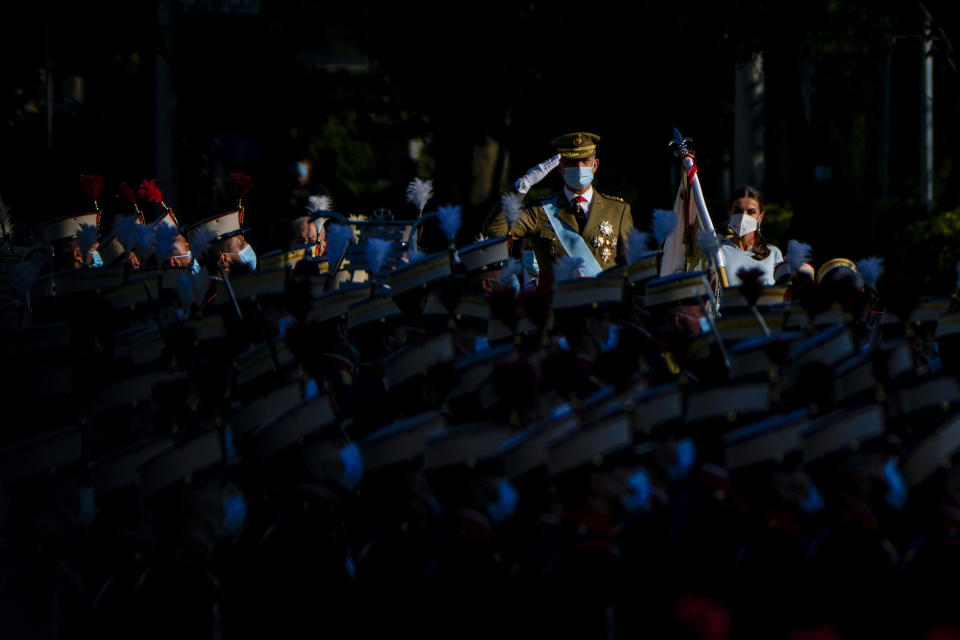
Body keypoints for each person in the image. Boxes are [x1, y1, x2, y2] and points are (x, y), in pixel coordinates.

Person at [484, 132, 634, 276]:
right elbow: (496, 231)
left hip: (602, 298)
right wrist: (522, 186)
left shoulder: (617, 210)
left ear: (595, 165)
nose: (579, 167)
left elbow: (629, 263)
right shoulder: (538, 211)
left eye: (585, 161)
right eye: (572, 161)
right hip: (557, 299)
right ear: (560, 167)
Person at [718, 186, 783, 286]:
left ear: (760, 217)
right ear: (729, 213)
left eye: (751, 212)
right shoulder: (718, 253)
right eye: (737, 211)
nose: (743, 216)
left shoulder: (773, 254)